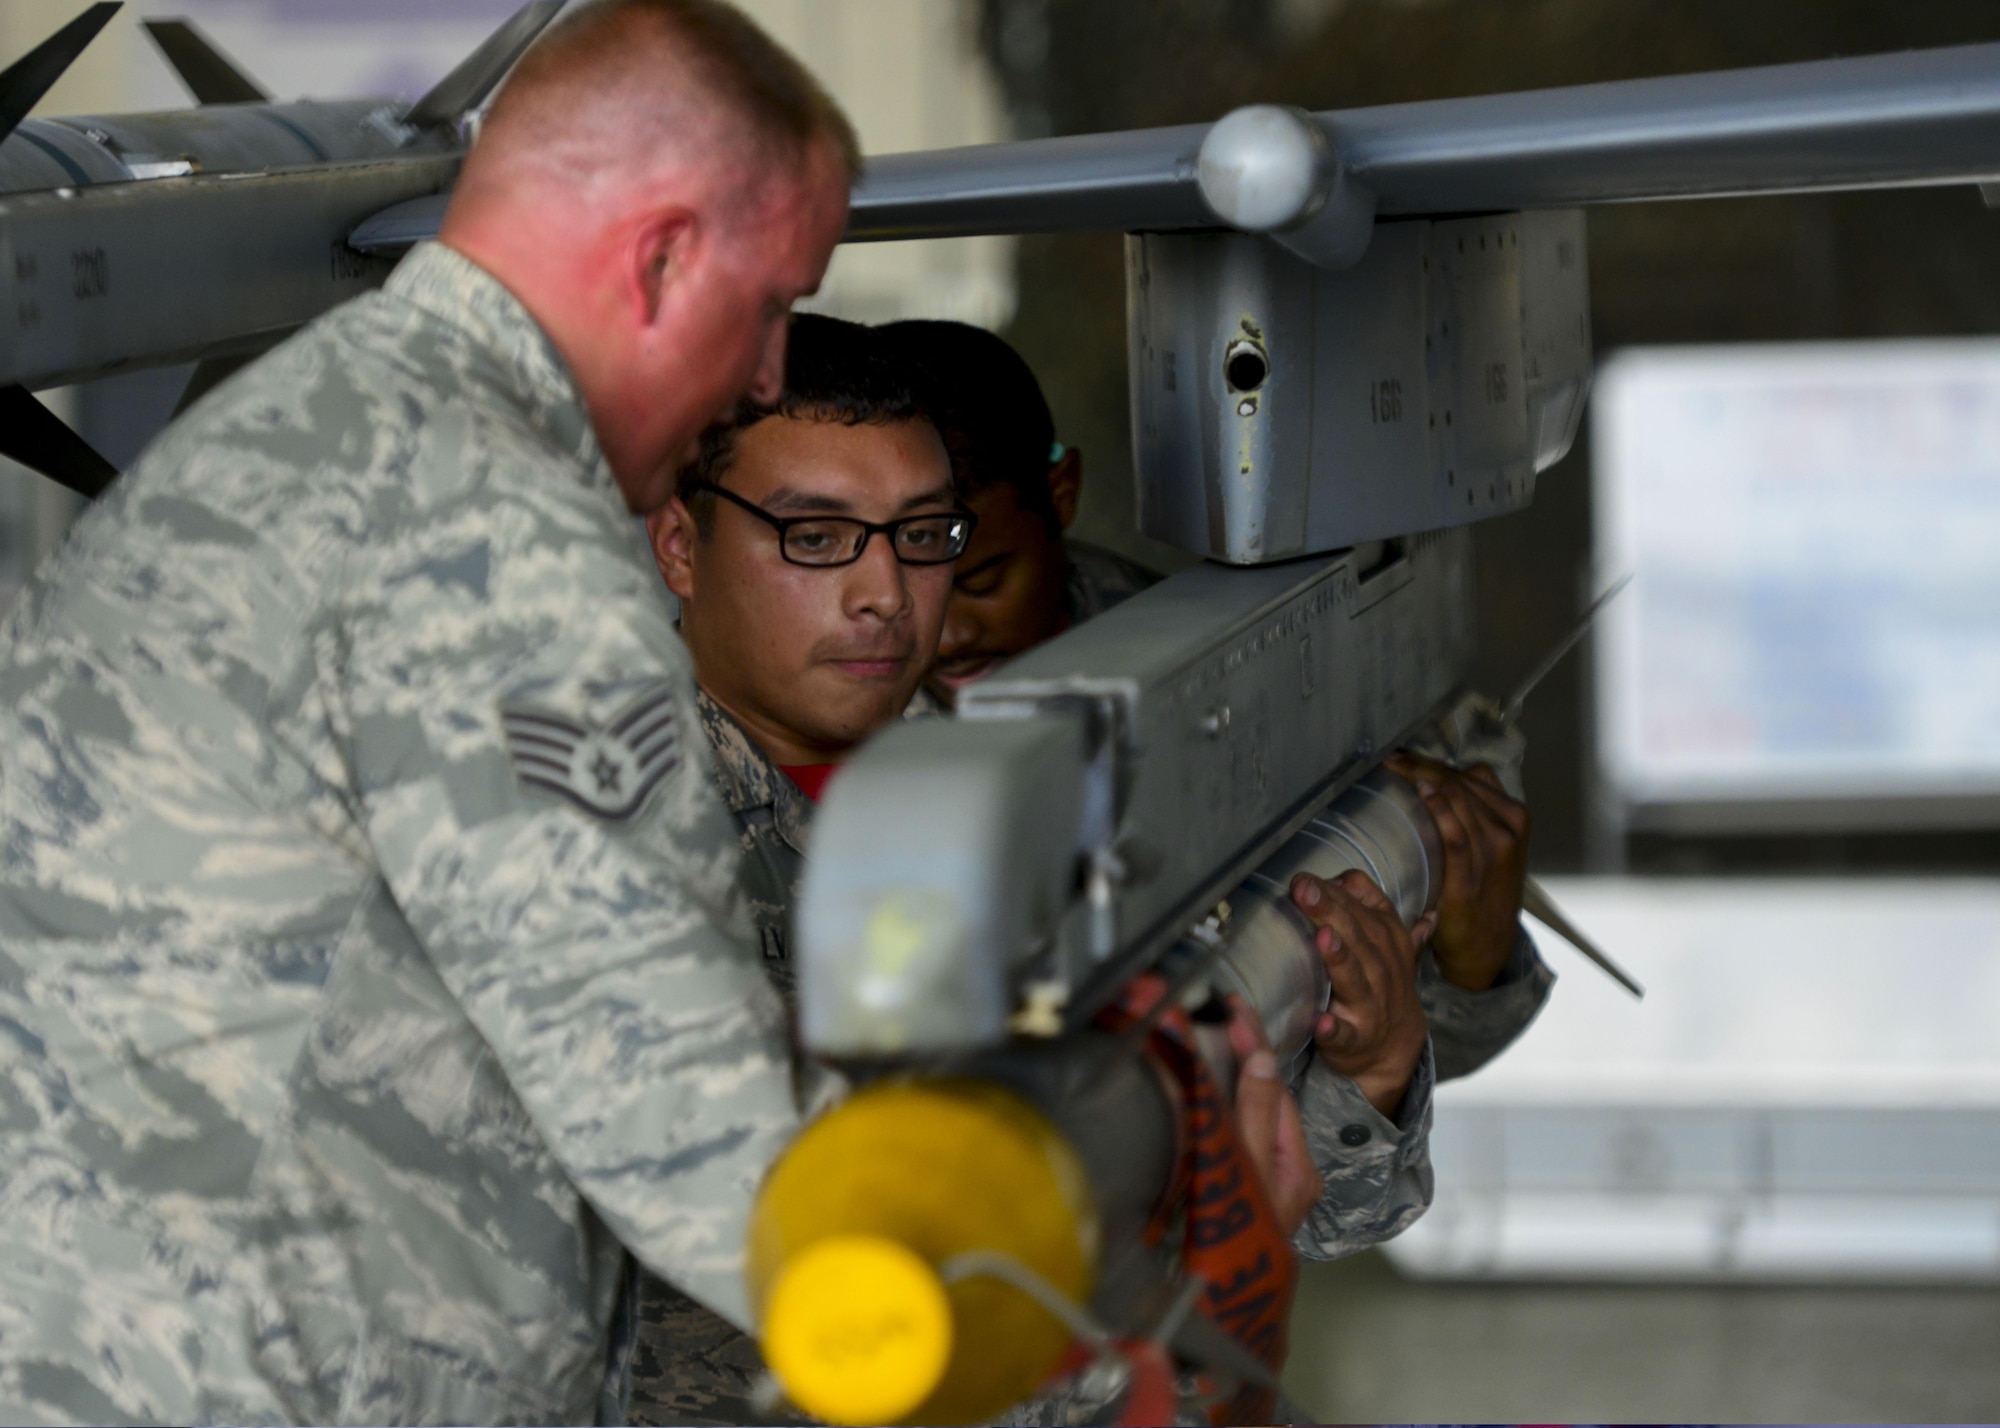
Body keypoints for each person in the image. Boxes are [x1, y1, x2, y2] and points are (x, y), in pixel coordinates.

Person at [0, 2, 856, 1423]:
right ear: (660, 260)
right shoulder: (497, 532)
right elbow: (679, 1120)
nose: (770, 374)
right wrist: (1052, 1295)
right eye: (771, 304)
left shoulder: (276, 443)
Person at [642, 312, 1439, 1423]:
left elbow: (1319, 1216)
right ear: (678, 544)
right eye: (815, 537)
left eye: (923, 536)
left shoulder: (1052, 796)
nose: (884, 592)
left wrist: (1375, 1071)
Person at [892, 318, 1556, 1072]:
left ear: (1062, 491)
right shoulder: (810, 713)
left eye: (980, 582)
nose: (941, 636)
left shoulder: (1231, 690)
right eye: (899, 588)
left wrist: (1473, 967)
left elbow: (1368, 1059)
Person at [879, 318, 1161, 704]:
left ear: (1061, 494)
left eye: (983, 582)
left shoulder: (1176, 661)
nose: (949, 640)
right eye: (900, 597)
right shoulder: (808, 699)